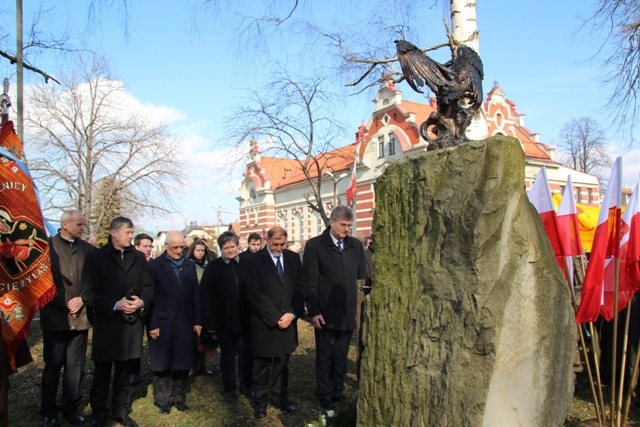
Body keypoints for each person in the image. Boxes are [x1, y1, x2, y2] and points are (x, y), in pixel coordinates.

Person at [81, 217, 154, 427]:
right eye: (127, 232)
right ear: (113, 233)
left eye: (132, 232)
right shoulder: (95, 258)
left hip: (131, 324)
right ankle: (98, 413)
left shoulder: (138, 258)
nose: (131, 236)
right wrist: (115, 304)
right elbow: (89, 293)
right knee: (102, 372)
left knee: (124, 370)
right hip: (107, 323)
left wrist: (141, 301)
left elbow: (148, 287)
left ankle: (120, 411)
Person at [303, 206, 366, 410]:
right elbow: (310, 282)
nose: (346, 229)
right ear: (332, 222)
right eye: (343, 225)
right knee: (325, 355)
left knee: (341, 355)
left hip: (348, 312)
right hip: (325, 312)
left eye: (349, 225)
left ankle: (337, 390)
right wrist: (313, 311)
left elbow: (362, 279)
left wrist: (361, 307)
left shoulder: (355, 246)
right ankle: (324, 393)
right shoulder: (315, 246)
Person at [40, 210, 94, 427]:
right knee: (53, 364)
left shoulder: (88, 250)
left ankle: (70, 408)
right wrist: (64, 301)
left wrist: (82, 299)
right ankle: (49, 412)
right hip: (55, 318)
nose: (83, 228)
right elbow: (43, 282)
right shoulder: (46, 248)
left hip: (80, 318)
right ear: (64, 224)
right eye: (79, 224)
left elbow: (95, 281)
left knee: (76, 366)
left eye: (84, 224)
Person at [245, 226, 305, 418]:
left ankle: (280, 398)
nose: (278, 248)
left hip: (288, 321)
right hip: (264, 323)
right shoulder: (254, 261)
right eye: (275, 244)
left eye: (282, 244)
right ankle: (260, 403)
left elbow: (299, 289)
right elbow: (254, 293)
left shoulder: (293, 258)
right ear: (266, 240)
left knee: (282, 364)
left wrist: (292, 314)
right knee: (261, 366)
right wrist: (274, 317)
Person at [146, 231, 201, 414]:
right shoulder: (154, 266)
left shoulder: (189, 266)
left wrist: (197, 321)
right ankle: (163, 399)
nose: (179, 251)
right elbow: (149, 298)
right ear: (166, 247)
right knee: (163, 363)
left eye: (182, 247)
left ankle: (179, 397)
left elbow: (195, 295)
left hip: (185, 321)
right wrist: (152, 324)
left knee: (183, 361)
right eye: (175, 247)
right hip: (163, 321)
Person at [200, 231, 252, 402]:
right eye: (226, 248)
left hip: (245, 318)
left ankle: (246, 385)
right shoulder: (213, 268)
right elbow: (206, 296)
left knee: (245, 355)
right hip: (224, 320)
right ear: (221, 249)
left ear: (238, 246)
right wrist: (210, 322)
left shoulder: (246, 263)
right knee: (228, 355)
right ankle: (230, 389)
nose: (230, 251)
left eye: (233, 247)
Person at [126, 233, 155, 387]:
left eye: (150, 246)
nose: (148, 249)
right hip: (134, 308)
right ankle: (132, 372)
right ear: (136, 247)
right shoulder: (131, 263)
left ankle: (156, 367)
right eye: (145, 246)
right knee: (134, 342)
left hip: (151, 308)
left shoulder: (154, 264)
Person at [186, 239, 217, 376]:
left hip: (206, 304)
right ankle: (192, 365)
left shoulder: (209, 265)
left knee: (205, 336)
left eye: (202, 251)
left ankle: (203, 364)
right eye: (197, 250)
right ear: (192, 251)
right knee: (193, 336)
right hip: (192, 304)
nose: (200, 253)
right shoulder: (188, 265)